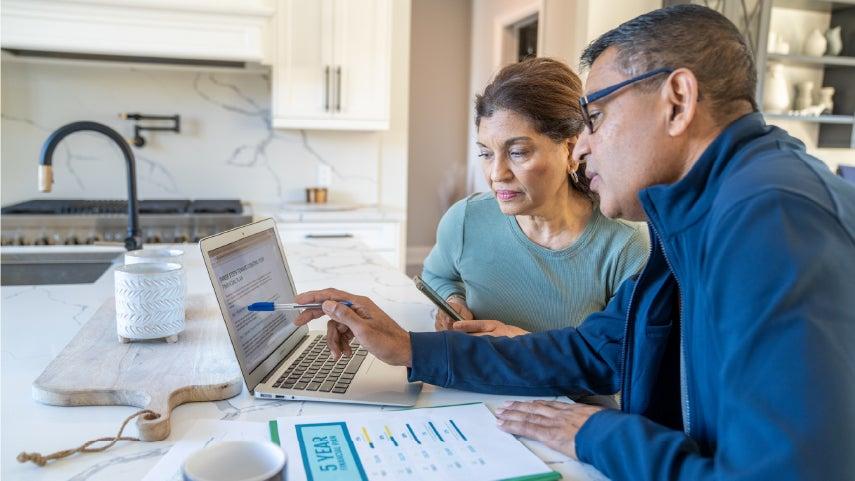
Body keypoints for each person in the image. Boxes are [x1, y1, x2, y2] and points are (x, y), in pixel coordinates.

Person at [294, 5, 855, 480]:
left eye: (596, 117)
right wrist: (411, 349)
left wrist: (598, 435)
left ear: (678, 101)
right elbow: (596, 350)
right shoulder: (699, 213)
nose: (581, 148)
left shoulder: (772, 219)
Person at [424, 57, 648, 336]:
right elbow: (436, 275)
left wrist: (518, 345)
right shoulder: (465, 220)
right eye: (486, 153)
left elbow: (622, 359)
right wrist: (452, 300)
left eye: (517, 152)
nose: (496, 174)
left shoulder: (625, 246)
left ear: (570, 148)